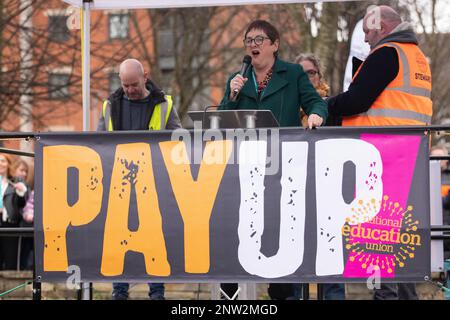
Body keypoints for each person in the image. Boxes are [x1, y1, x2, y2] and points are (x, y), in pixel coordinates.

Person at [327, 5, 432, 300]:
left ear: (382, 28)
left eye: (368, 33)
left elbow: (357, 100)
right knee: (398, 236)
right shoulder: (417, 58)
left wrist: (326, 105)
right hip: (406, 153)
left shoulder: (387, 53)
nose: (367, 41)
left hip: (381, 153)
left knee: (378, 236)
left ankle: (386, 296)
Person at [218, 20, 328, 300]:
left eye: (259, 40)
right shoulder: (238, 78)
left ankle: (280, 294)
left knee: (279, 232)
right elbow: (221, 118)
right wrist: (232, 95)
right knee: (238, 231)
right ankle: (229, 295)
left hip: (283, 168)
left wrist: (316, 115)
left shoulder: (292, 73)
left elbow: (315, 102)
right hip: (246, 169)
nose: (253, 45)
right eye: (248, 40)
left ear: (275, 44)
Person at [98, 58, 182, 300]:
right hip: (119, 183)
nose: (130, 90)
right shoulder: (109, 105)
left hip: (154, 182)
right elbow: (98, 141)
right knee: (116, 237)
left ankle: (157, 293)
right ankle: (119, 292)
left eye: (134, 84)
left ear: (145, 77)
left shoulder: (164, 104)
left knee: (156, 238)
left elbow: (177, 136)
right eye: (125, 85)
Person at [295, 53, 345, 300]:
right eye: (301, 74)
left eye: (311, 73)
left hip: (329, 188)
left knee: (331, 260)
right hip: (295, 189)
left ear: (319, 75)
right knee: (293, 259)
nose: (307, 78)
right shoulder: (286, 104)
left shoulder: (334, 105)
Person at [0, 153, 28, 270]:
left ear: (8, 164)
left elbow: (22, 204)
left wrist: (21, 192)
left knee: (10, 259)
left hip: (9, 223)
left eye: (3, 161)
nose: (0, 164)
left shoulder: (14, 183)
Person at [10, 158, 34, 270]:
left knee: (26, 252)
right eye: (21, 170)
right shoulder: (10, 185)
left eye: (26, 171)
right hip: (16, 222)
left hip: (26, 223)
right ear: (14, 169)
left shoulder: (27, 187)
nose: (24, 174)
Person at [431, 145, 450, 260]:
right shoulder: (422, 177)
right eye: (434, 157)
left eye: (440, 157)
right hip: (431, 228)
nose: (438, 160)